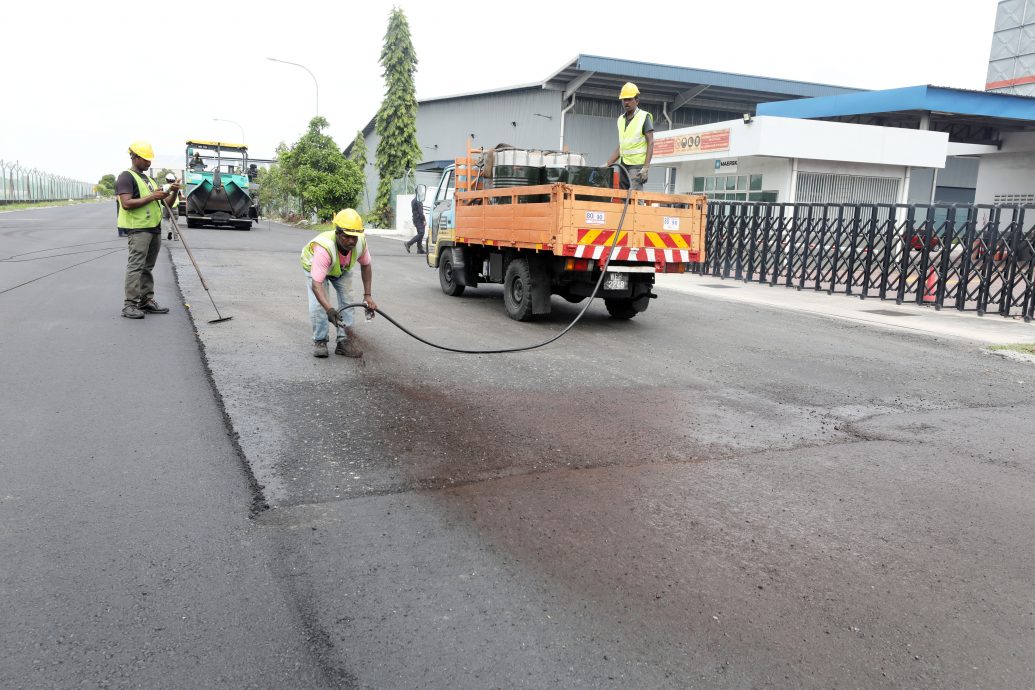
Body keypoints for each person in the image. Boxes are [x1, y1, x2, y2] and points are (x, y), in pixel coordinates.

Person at [300, 208, 377, 358]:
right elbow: (317, 285)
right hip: (314, 266)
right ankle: (320, 341)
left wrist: (367, 295)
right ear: (337, 233)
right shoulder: (325, 248)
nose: (351, 241)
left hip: (340, 268)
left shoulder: (360, 243)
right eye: (346, 236)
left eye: (354, 237)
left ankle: (344, 342)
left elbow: (366, 265)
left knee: (348, 300)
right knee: (319, 305)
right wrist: (329, 309)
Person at [116, 141, 178, 319]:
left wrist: (172, 192)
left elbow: (167, 205)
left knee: (147, 267)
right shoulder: (126, 177)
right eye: (145, 159)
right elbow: (126, 204)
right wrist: (153, 196)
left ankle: (145, 300)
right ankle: (130, 305)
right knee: (136, 266)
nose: (149, 163)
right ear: (134, 157)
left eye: (150, 160)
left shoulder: (149, 180)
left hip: (154, 229)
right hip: (139, 229)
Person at [604, 82, 655, 191]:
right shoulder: (620, 120)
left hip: (637, 166)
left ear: (637, 101)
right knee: (624, 197)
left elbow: (650, 142)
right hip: (623, 165)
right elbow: (621, 147)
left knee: (634, 197)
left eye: (629, 99)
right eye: (624, 99)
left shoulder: (644, 117)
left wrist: (646, 167)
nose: (626, 102)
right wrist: (606, 165)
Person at [405, 185, 426, 254]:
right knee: (421, 233)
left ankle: (420, 249)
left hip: (415, 219)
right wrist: (424, 220)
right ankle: (409, 243)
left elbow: (414, 211)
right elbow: (420, 212)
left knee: (420, 233)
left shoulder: (413, 200)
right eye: (420, 191)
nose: (422, 193)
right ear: (418, 192)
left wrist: (414, 219)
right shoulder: (418, 201)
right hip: (419, 219)